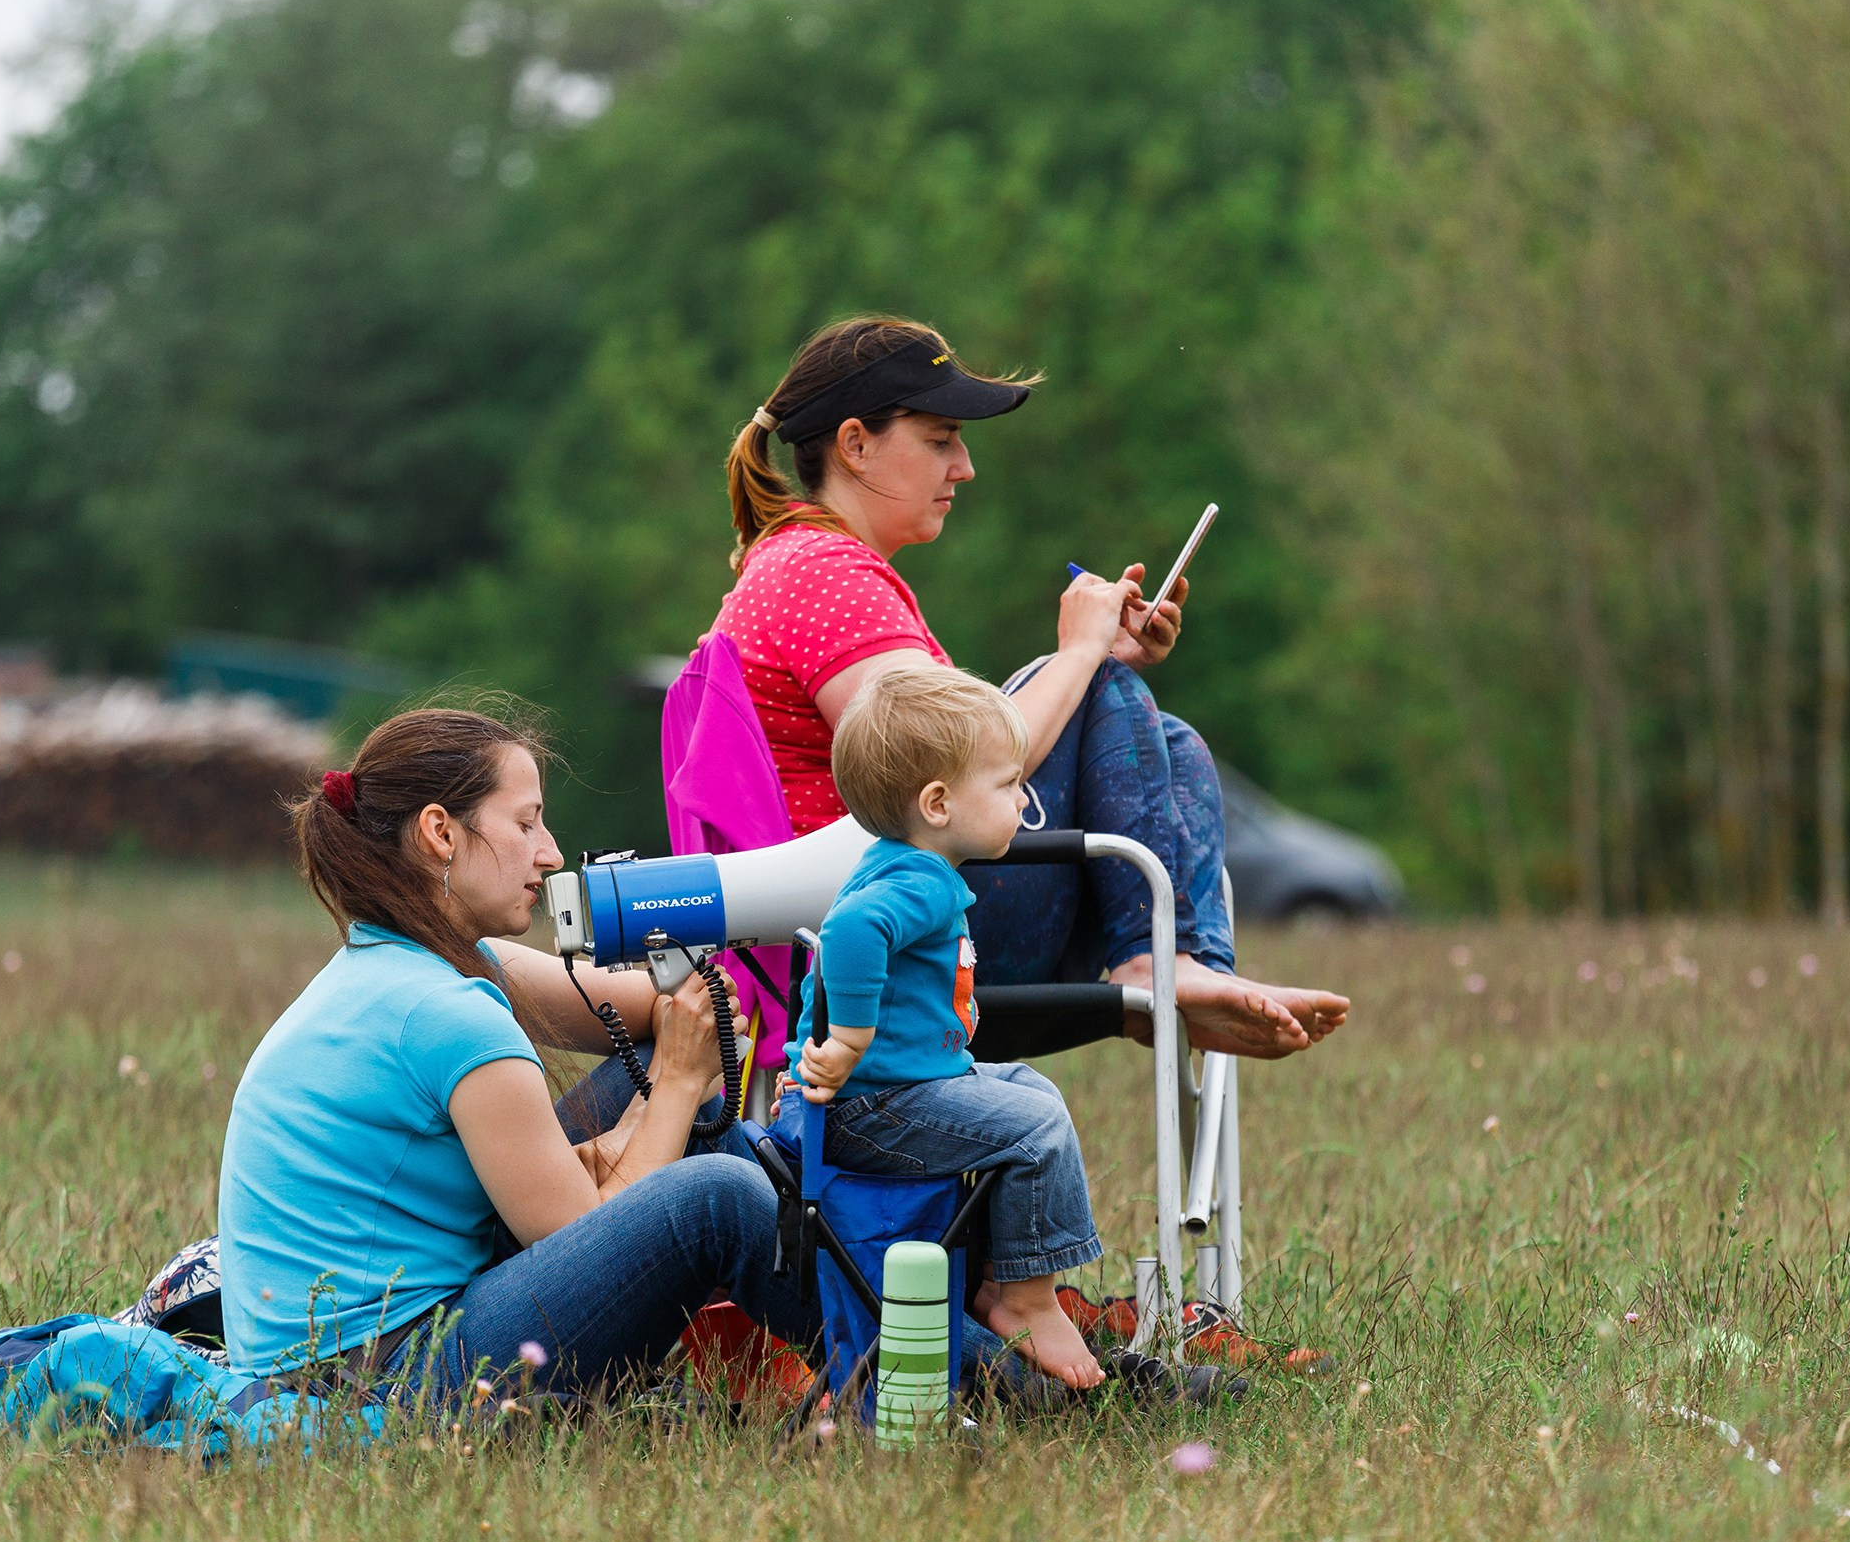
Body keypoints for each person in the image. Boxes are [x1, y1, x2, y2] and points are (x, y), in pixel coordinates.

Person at [710, 315, 1350, 1059]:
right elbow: (941, 765)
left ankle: (1184, 965)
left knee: (1156, 733)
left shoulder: (800, 563)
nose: (964, 467)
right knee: (1104, 687)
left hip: (872, 916)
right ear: (855, 444)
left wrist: (1091, 661)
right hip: (890, 931)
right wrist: (1079, 656)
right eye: (941, 439)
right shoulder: (826, 575)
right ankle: (1159, 964)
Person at [216, 702, 815, 1394]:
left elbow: (654, 1013)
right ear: (441, 832)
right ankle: (900, 1353)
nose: (551, 853)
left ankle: (792, 1352)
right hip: (376, 1379)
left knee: (670, 1081)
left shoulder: (414, 965)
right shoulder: (446, 1013)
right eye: (526, 823)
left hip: (373, 1342)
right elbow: (583, 1232)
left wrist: (688, 996)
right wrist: (678, 1084)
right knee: (714, 1198)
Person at [788, 668, 1104, 1388]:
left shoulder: (905, 865)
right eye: (1009, 784)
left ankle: (1004, 1276)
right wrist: (849, 1041)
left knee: (1033, 1091)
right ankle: (1025, 1300)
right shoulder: (919, 880)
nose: (1023, 800)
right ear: (937, 804)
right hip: (872, 1107)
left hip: (901, 1090)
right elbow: (849, 931)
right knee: (1037, 1127)